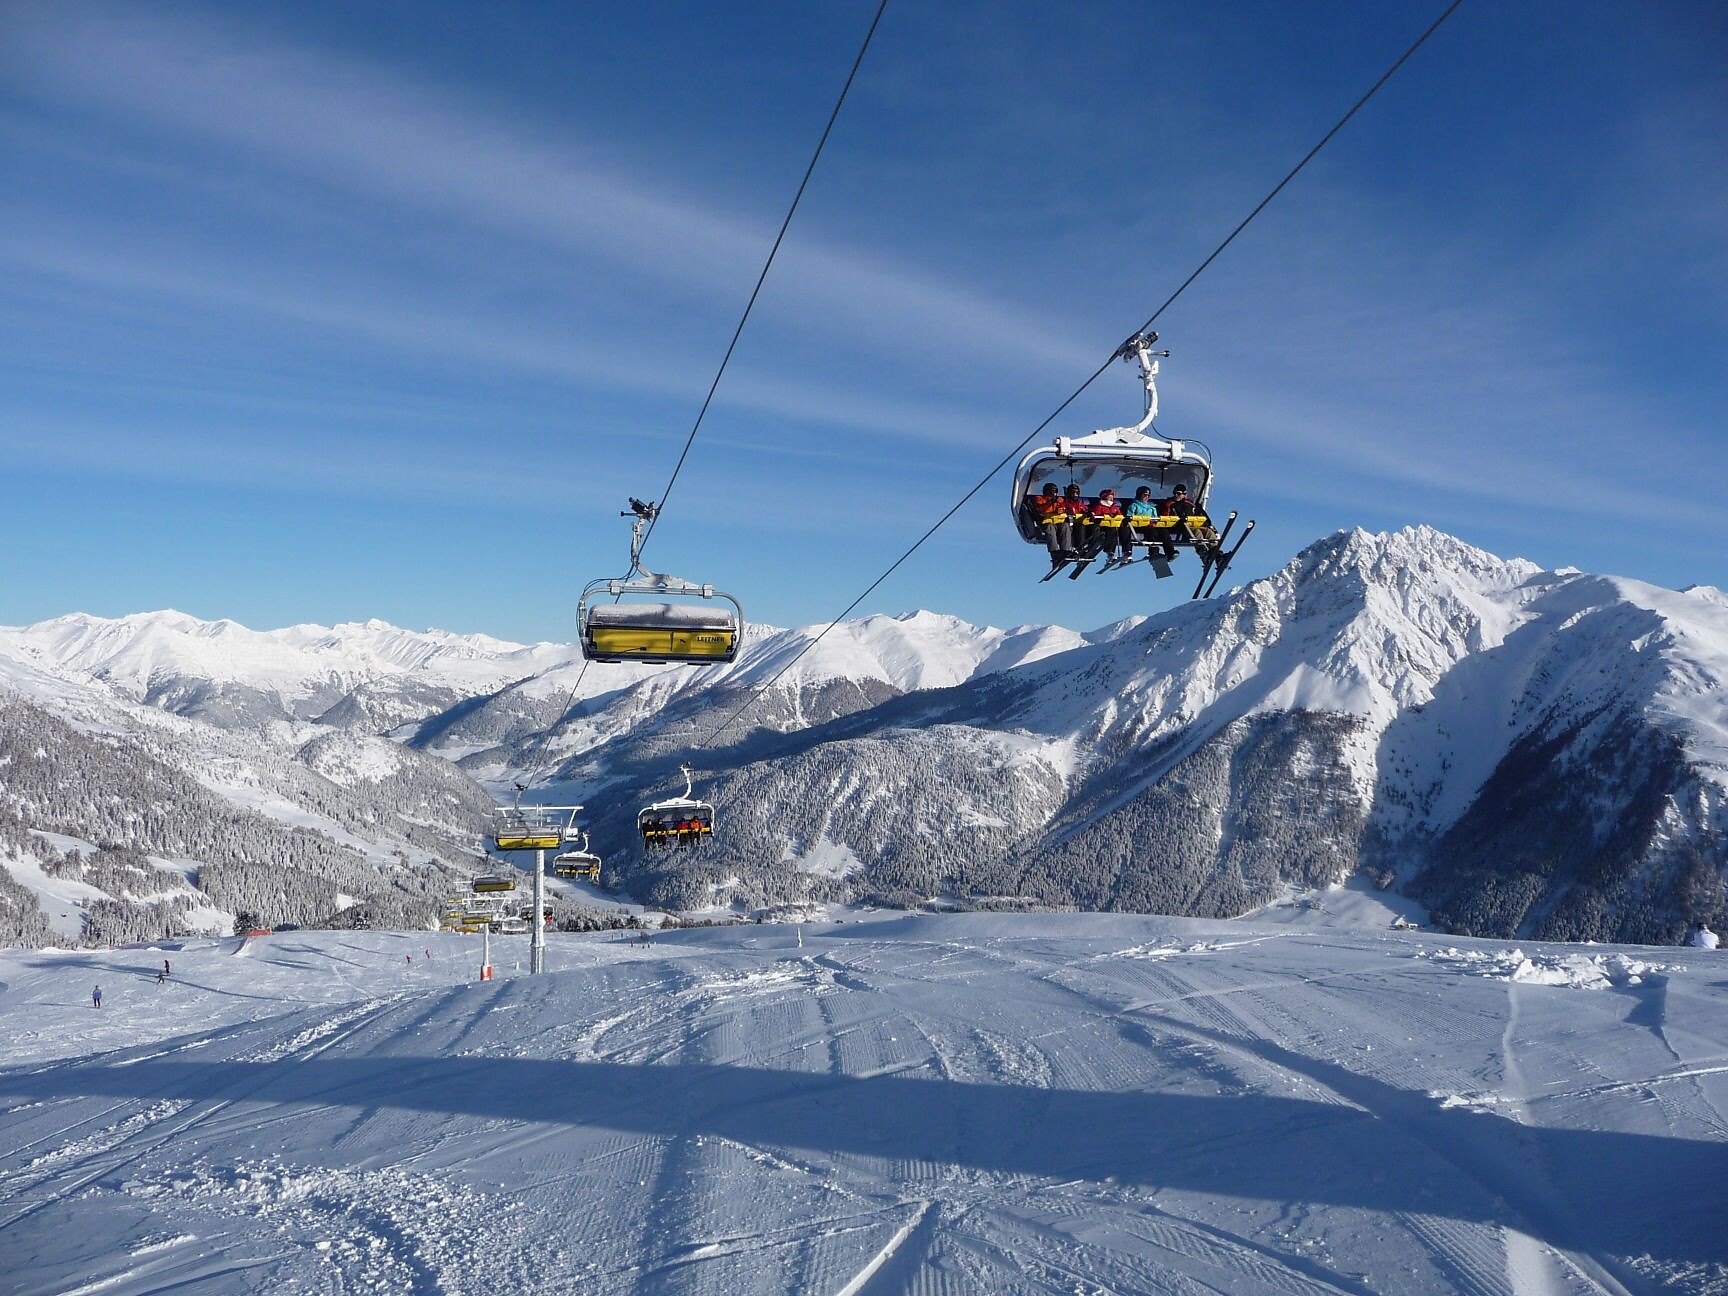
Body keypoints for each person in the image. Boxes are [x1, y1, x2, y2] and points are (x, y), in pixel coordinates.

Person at [1029, 483, 1073, 563]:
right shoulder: (1040, 499)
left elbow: (1064, 508)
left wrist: (1062, 507)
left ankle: (1066, 550)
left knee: (1066, 526)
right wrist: (1050, 503)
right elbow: (1041, 509)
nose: (1054, 493)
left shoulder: (1059, 500)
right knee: (1050, 529)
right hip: (1047, 521)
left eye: (1055, 491)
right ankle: (1055, 552)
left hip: (1059, 521)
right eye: (1052, 491)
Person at [1090, 488, 1127, 564]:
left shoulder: (1115, 508)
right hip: (1103, 526)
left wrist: (1117, 516)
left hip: (1113, 525)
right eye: (1109, 497)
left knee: (1114, 532)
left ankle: (1112, 553)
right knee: (1111, 532)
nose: (1111, 498)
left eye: (1112, 497)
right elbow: (1095, 515)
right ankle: (1109, 552)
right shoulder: (1099, 506)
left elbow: (1120, 515)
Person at [1063, 483, 1094, 557]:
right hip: (1071, 525)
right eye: (1073, 492)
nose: (1075, 495)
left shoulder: (1079, 503)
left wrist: (1089, 513)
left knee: (1093, 527)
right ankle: (1079, 548)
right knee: (1080, 527)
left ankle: (1091, 546)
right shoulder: (1065, 503)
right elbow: (1061, 509)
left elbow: (1085, 509)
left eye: (1077, 493)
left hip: (1081, 524)